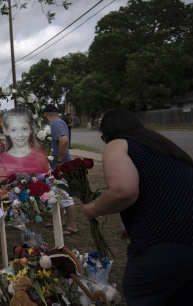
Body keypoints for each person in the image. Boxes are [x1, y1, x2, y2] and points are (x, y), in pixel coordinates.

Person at [81, 109, 193, 305]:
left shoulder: (119, 143)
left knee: (141, 291)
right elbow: (167, 190)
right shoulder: (162, 146)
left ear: (107, 133)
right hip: (185, 241)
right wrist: (134, 223)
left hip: (165, 242)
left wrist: (94, 209)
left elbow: (123, 191)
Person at [44, 104, 78, 235]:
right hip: (56, 166)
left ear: (45, 114)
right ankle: (60, 221)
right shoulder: (58, 122)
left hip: (61, 165)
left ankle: (72, 226)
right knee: (56, 194)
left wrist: (59, 160)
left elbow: (63, 141)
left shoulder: (56, 123)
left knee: (65, 195)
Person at [0, 107, 49, 184]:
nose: (20, 135)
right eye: (13, 130)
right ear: (6, 131)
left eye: (24, 129)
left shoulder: (41, 153)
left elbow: (48, 179)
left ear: (31, 129)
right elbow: (3, 187)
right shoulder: (3, 160)